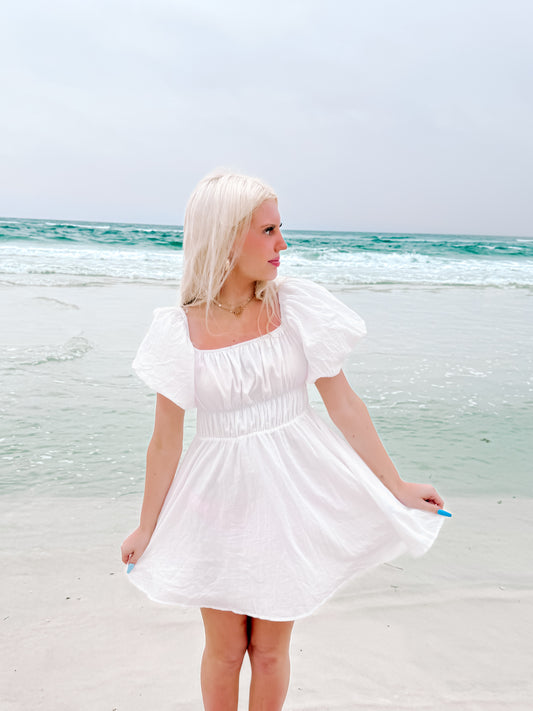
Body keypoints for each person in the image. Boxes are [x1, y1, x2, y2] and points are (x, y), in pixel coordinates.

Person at [121, 170, 447, 711]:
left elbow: (344, 405)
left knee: (270, 650)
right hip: (215, 500)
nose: (283, 243)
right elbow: (164, 444)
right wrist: (147, 526)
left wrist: (395, 486)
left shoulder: (295, 308)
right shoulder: (177, 330)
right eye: (269, 230)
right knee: (226, 650)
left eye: (280, 228)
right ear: (227, 236)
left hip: (291, 492)